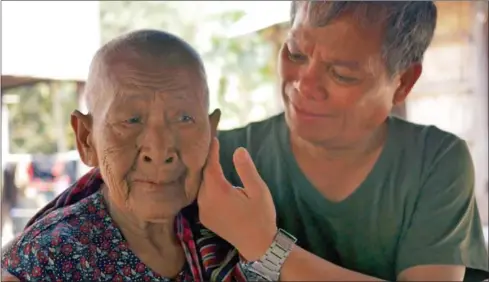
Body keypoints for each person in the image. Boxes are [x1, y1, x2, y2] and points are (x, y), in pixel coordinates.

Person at [8, 1, 489, 281]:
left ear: (403, 84)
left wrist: (265, 245)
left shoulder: (433, 162)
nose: (304, 84)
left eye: (341, 73)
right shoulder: (215, 166)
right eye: (295, 53)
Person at [1, 30, 249, 282]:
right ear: (87, 139)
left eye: (184, 118)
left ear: (211, 133)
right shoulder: (47, 260)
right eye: (131, 120)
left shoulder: (236, 234)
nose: (159, 150)